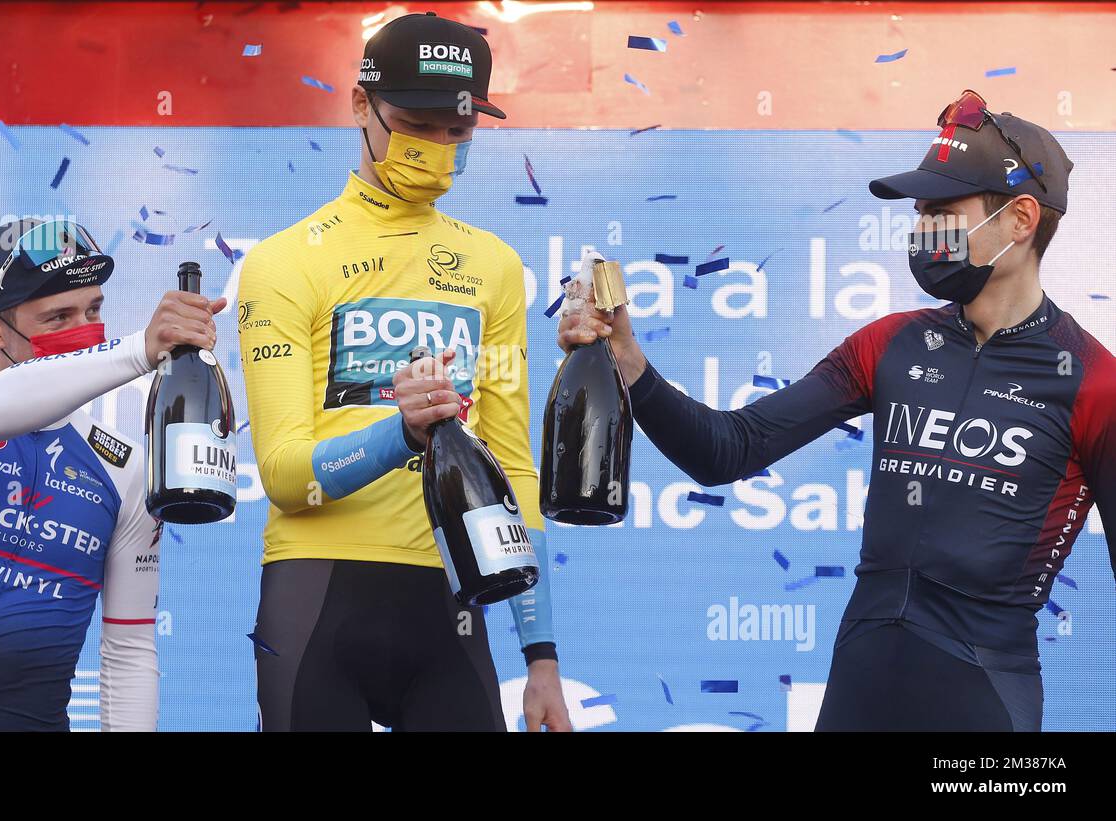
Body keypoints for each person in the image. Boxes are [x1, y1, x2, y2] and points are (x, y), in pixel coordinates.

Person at [559, 90, 1115, 731]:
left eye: (943, 210)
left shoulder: (1096, 383)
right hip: (862, 677)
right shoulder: (889, 343)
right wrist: (631, 366)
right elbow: (729, 450)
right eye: (920, 212)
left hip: (985, 696)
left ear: (1020, 219)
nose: (924, 227)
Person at [238, 12, 570, 731]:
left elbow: (512, 469)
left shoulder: (496, 267)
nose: (440, 147)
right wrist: (403, 431)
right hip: (318, 593)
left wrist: (540, 655)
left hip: (450, 599)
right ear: (360, 105)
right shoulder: (285, 260)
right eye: (418, 125)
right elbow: (285, 474)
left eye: (459, 130)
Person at [0, 218, 224, 731]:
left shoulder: (125, 468)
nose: (83, 330)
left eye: (93, 310)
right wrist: (137, 350)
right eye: (58, 316)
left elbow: (129, 651)